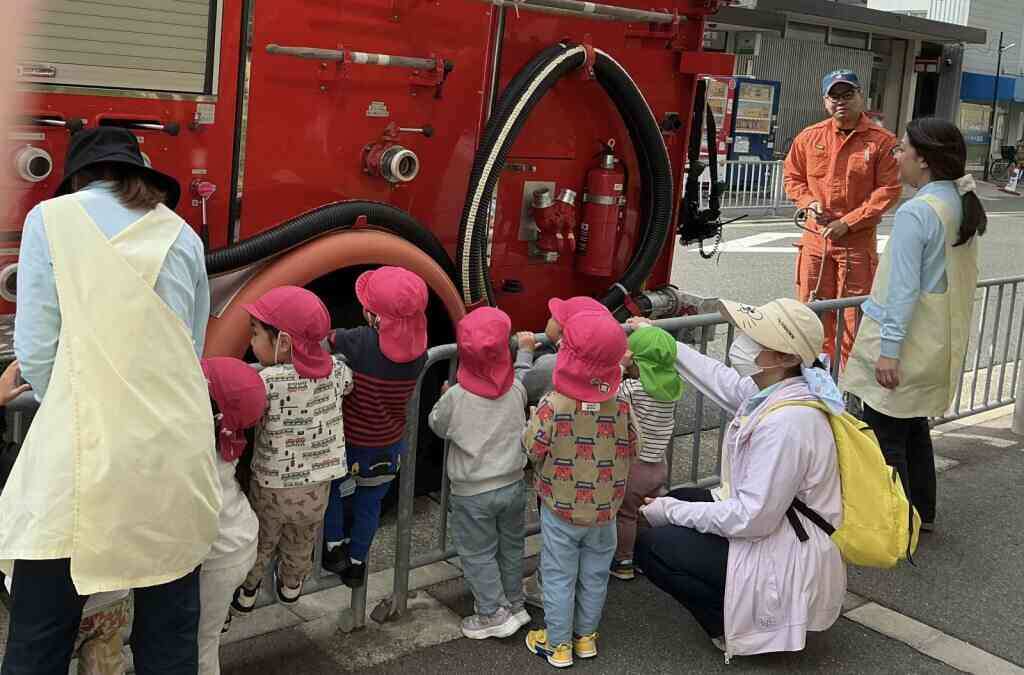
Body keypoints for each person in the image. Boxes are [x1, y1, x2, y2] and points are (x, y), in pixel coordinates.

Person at [0, 127, 221, 675]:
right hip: (174, 451)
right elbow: (187, 347)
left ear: (78, 178)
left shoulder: (48, 221)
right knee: (170, 633)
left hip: (82, 458)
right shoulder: (183, 234)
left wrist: (83, 399)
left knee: (40, 631)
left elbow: (35, 346)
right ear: (139, 178)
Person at [635, 298, 846, 660]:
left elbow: (753, 518)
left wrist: (670, 510)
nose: (743, 342)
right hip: (784, 528)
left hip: (783, 549)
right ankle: (737, 609)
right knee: (687, 496)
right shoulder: (781, 389)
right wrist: (665, 342)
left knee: (654, 545)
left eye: (755, 338)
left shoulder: (786, 424)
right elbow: (723, 381)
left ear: (786, 358)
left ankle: (734, 627)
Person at [841, 118, 985, 533]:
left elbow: (901, 290)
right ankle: (923, 511)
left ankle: (894, 523)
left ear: (924, 160)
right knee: (914, 429)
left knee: (887, 439)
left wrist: (888, 351)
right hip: (936, 343)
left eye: (903, 149)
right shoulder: (958, 203)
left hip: (903, 345)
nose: (896, 155)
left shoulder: (917, 212)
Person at [523, 310, 638, 669]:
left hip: (561, 508)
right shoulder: (619, 403)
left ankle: (557, 644)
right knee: (594, 573)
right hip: (606, 508)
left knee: (559, 575)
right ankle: (586, 637)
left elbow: (532, 447)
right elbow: (635, 445)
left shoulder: (553, 404)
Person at [232, 287, 354, 611]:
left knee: (261, 539)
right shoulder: (337, 370)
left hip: (271, 488)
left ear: (283, 342)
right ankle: (291, 584)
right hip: (317, 489)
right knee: (302, 540)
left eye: (255, 334)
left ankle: (248, 588)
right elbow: (349, 383)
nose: (251, 342)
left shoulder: (266, 381)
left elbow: (247, 412)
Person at [784, 69, 901, 367]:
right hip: (815, 241)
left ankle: (848, 386)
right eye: (833, 96)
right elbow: (793, 177)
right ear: (825, 101)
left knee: (855, 317)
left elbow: (888, 189)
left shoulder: (882, 142)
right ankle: (816, 378)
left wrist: (848, 222)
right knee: (812, 312)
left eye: (848, 95)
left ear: (862, 97)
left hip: (856, 243)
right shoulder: (809, 137)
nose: (841, 102)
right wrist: (809, 202)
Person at [428, 307, 530, 640]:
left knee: (478, 553)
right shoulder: (516, 390)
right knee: (511, 546)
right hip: (514, 484)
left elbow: (437, 426)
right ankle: (515, 602)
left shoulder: (457, 397)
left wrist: (444, 397)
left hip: (473, 492)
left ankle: (491, 613)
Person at [323, 266, 428, 587]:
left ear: (373, 316)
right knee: (371, 504)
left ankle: (333, 546)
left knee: (331, 492)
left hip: (351, 443)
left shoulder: (358, 341)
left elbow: (328, 340)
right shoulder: (420, 355)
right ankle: (357, 563)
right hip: (388, 447)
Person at [514, 295, 612, 608]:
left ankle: (549, 596)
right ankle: (585, 617)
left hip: (559, 473)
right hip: (600, 477)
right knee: (591, 546)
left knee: (558, 542)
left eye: (559, 316)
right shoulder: (611, 376)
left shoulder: (548, 366)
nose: (552, 317)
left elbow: (523, 390)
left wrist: (524, 355)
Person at [199, 357, 268, 675]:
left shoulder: (198, 454)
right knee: (205, 636)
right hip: (238, 545)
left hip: (220, 559)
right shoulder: (229, 440)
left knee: (201, 644)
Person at [611, 325, 684, 581]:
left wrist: (619, 366)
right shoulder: (672, 388)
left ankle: (623, 561)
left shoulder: (633, 388)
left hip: (635, 467)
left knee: (626, 515)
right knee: (645, 512)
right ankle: (644, 555)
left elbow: (608, 395)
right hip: (659, 465)